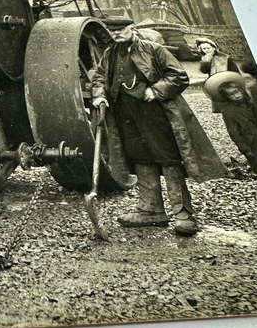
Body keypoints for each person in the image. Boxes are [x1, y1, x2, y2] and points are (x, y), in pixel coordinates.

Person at [92, 23, 228, 236]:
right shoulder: (110, 53)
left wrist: (156, 90)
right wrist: (99, 94)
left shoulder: (153, 49)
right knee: (141, 158)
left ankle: (184, 215)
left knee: (168, 158)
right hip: (125, 115)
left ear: (132, 29)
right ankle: (151, 210)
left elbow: (179, 76)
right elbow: (99, 76)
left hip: (155, 113)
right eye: (112, 31)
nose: (116, 33)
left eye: (120, 29)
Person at [204, 71, 257, 211]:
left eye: (237, 92)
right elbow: (234, 133)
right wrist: (245, 149)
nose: (236, 96)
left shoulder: (253, 103)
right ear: (226, 98)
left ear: (242, 90)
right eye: (231, 95)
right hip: (253, 146)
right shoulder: (228, 111)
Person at [196, 37, 240, 112]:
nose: (207, 50)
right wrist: (206, 61)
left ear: (214, 48)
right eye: (204, 49)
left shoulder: (225, 58)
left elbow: (235, 71)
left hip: (227, 80)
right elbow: (204, 70)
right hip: (215, 82)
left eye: (208, 48)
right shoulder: (205, 59)